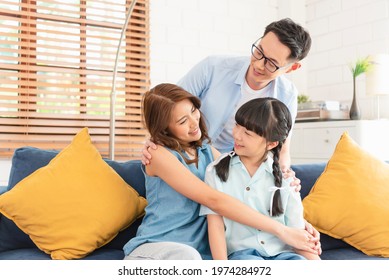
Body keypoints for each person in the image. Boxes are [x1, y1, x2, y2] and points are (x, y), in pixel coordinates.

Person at [123, 83, 318, 260]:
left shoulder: (208, 152)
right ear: (164, 128)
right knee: (187, 256)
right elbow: (214, 201)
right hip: (155, 250)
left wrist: (299, 223)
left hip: (199, 255)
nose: (194, 122)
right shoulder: (158, 154)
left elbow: (247, 178)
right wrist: (282, 230)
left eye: (193, 111)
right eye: (183, 121)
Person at [143, 18, 311, 172]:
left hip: (242, 168)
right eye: (259, 52)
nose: (259, 65)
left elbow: (281, 150)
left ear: (291, 68)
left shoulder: (286, 95)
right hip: (194, 158)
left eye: (272, 63)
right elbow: (167, 108)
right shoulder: (213, 67)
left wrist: (284, 176)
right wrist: (153, 142)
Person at [200, 97, 320, 260]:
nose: (237, 135)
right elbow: (215, 227)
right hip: (243, 255)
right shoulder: (215, 171)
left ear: (271, 144)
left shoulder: (285, 178)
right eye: (237, 125)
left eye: (247, 133)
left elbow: (298, 235)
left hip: (284, 254)